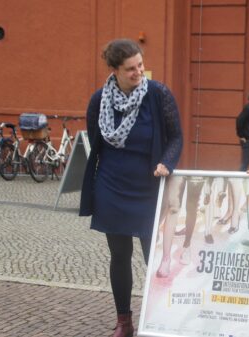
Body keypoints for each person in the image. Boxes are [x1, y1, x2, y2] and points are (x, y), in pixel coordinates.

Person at [79, 38, 183, 337]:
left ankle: (160, 319)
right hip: (112, 186)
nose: (139, 72)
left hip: (150, 187)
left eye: (140, 65)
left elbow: (177, 136)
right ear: (114, 70)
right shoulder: (99, 100)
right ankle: (124, 321)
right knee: (119, 255)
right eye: (131, 69)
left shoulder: (158, 93)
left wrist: (167, 162)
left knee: (156, 256)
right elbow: (96, 140)